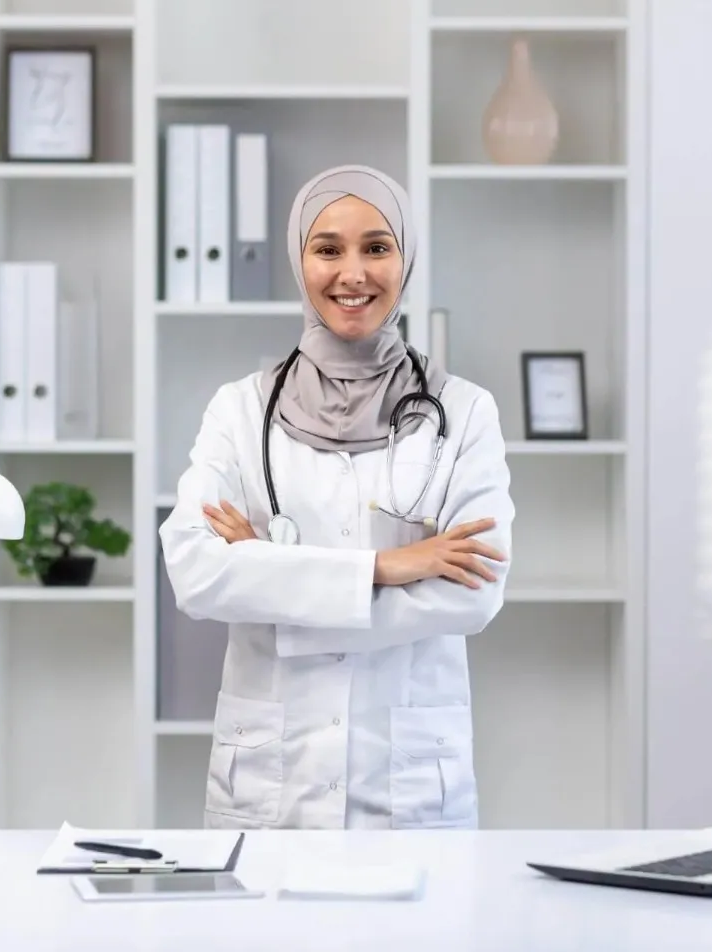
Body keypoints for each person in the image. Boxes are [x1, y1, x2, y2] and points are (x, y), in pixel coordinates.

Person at [158, 164, 515, 830]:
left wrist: (269, 576)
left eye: (376, 247)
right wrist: (388, 569)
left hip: (408, 787)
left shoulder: (464, 412)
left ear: (404, 259)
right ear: (300, 261)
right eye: (328, 249)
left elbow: (475, 591)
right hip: (271, 787)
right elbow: (194, 572)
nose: (353, 273)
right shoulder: (240, 410)